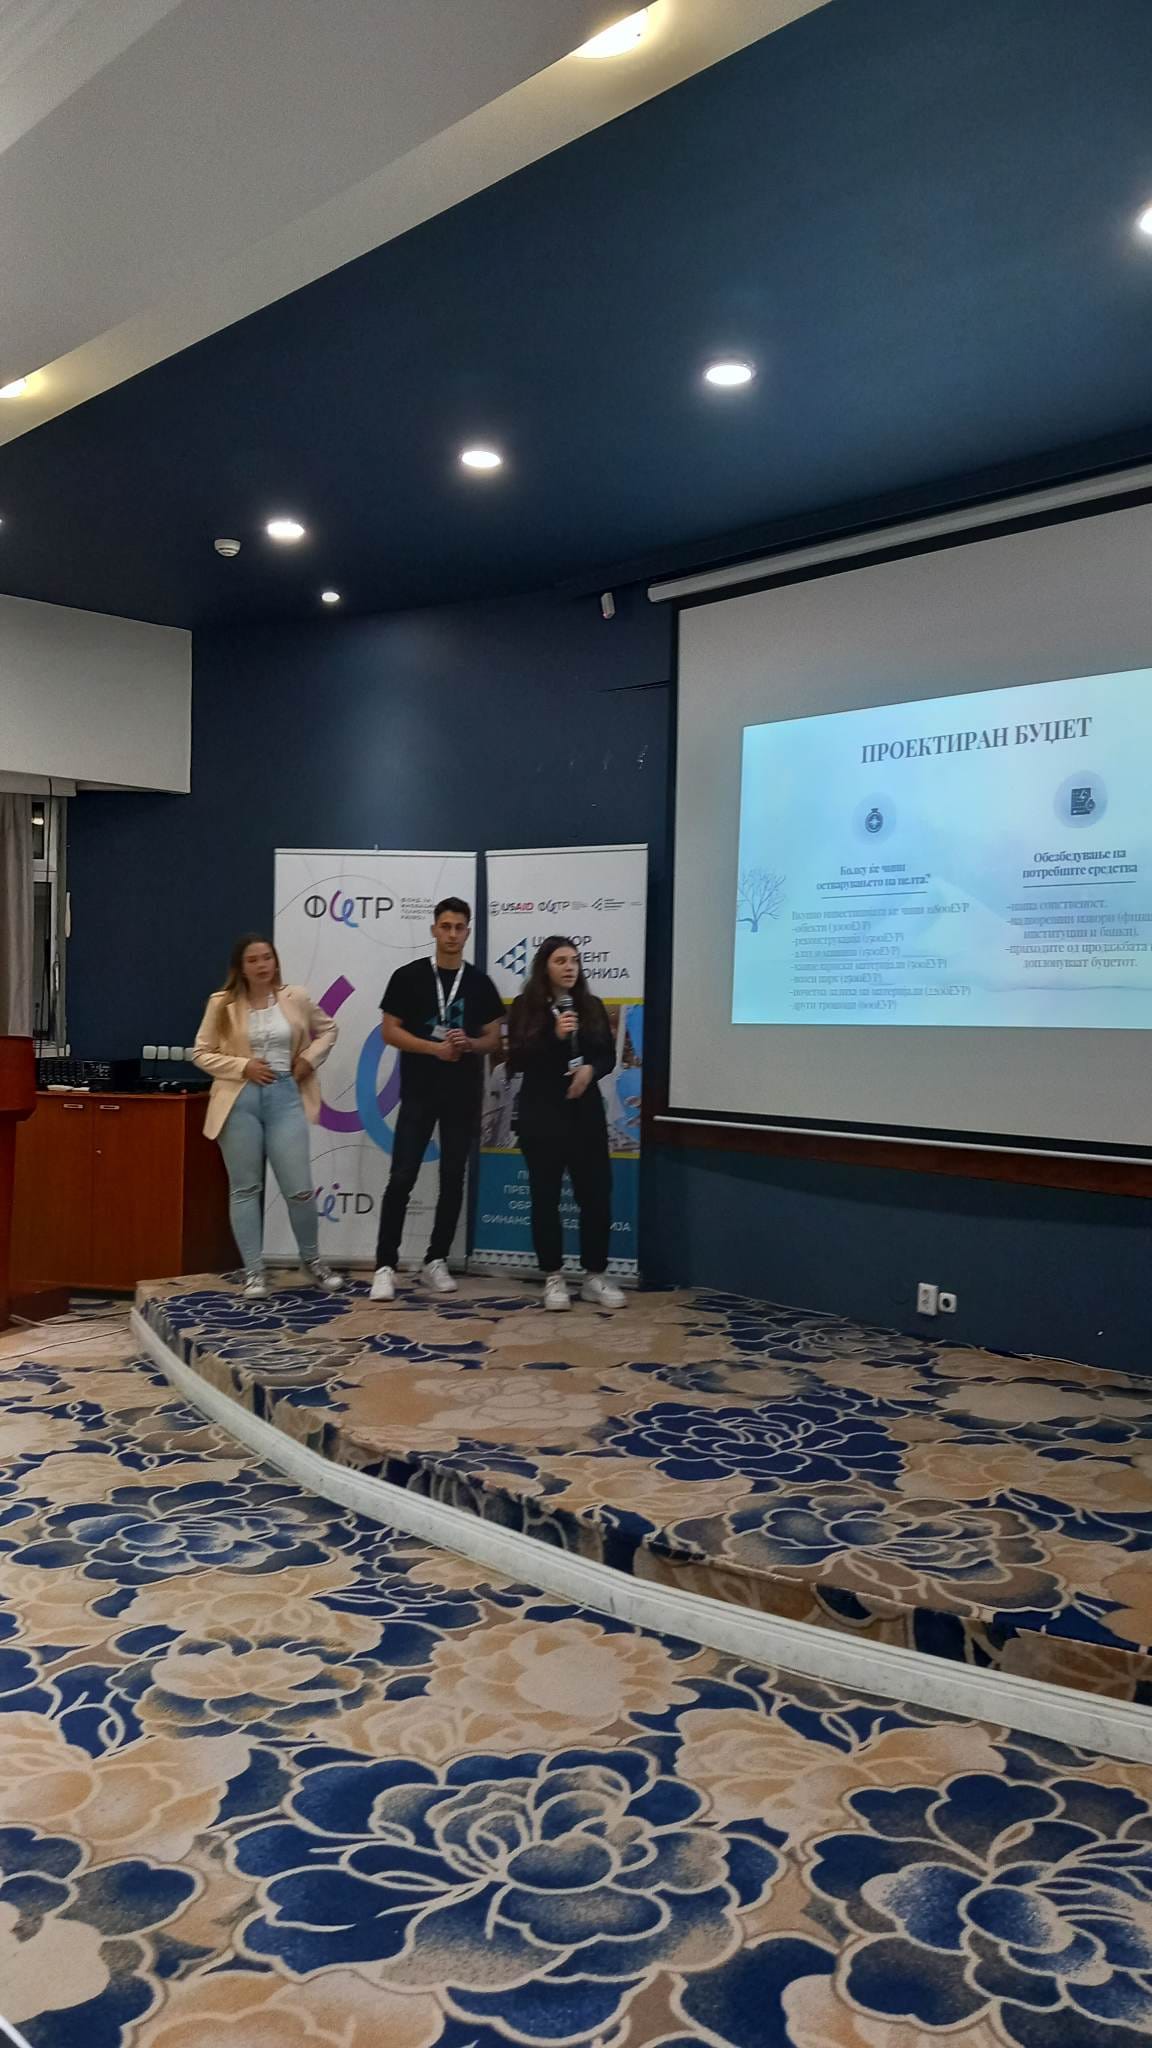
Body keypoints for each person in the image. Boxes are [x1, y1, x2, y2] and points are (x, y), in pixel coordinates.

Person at [194, 933, 342, 1301]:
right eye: (253, 960)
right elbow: (201, 1052)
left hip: (285, 1096)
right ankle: (254, 1272)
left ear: (275, 961)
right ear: (241, 967)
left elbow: (328, 1030)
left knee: (299, 1188)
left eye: (267, 958)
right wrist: (242, 1066)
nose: (262, 965)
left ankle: (312, 1261)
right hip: (238, 1100)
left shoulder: (296, 997)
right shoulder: (221, 1003)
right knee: (245, 1188)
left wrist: (308, 1060)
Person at [370, 897, 504, 1301]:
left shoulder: (480, 983)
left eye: (459, 927)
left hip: (462, 1095)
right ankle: (385, 1265)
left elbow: (494, 1039)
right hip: (419, 1092)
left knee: (452, 1177)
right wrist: (434, 1049)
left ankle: (436, 1259)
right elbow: (389, 1031)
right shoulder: (408, 977)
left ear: (468, 932)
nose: (452, 934)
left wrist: (470, 1044)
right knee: (401, 1177)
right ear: (433, 930)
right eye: (445, 926)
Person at [506, 935, 626, 1312]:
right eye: (560, 960)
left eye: (574, 960)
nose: (569, 967)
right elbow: (518, 1058)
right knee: (545, 1197)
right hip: (542, 1113)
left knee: (596, 1195)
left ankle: (594, 1275)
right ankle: (553, 1275)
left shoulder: (590, 1005)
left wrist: (590, 1070)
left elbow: (606, 1055)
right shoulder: (526, 1007)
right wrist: (554, 1036)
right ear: (544, 967)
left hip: (584, 1114)